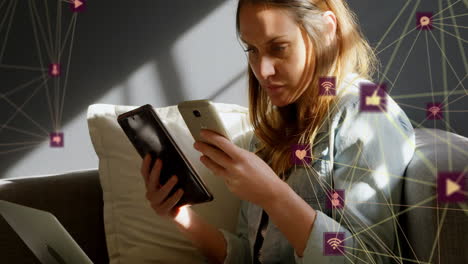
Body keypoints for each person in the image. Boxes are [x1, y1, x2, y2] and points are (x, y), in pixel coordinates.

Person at [140, 0, 416, 263]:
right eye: (252, 50)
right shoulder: (271, 130)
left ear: (327, 29)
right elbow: (251, 256)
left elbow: (367, 259)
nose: (262, 70)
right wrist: (182, 217)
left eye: (279, 47)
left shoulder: (366, 115)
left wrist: (273, 195)